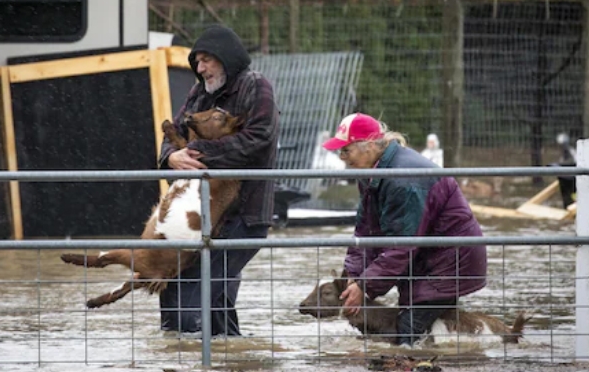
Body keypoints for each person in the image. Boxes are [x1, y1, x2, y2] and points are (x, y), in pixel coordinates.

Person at [321, 113, 487, 347]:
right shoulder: (370, 173)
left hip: (447, 261)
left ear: (368, 146)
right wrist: (352, 276)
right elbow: (365, 231)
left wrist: (364, 285)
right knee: (426, 326)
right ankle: (457, 356)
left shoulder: (402, 180)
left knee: (408, 331)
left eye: (346, 150)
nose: (342, 157)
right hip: (426, 257)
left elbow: (401, 245)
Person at [158, 25, 280, 336]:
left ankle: (184, 352)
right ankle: (232, 356)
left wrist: (198, 151)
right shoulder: (199, 92)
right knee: (210, 298)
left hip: (246, 214)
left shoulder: (257, 87)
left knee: (189, 292)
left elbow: (258, 140)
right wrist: (171, 157)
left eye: (206, 60)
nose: (199, 69)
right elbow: (174, 133)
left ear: (226, 58)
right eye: (196, 62)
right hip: (203, 215)